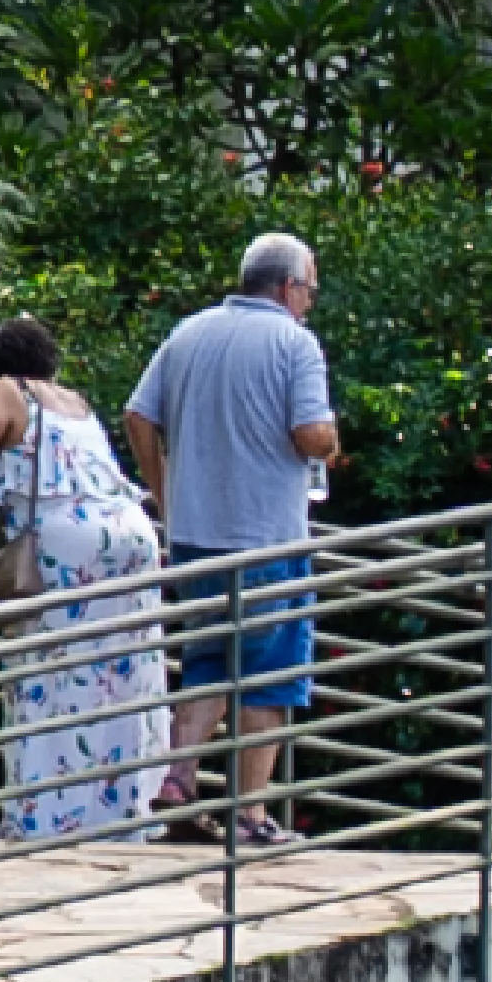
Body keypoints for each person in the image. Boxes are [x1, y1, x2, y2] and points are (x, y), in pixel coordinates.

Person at [122, 231, 343, 836]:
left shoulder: (189, 333)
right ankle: (249, 813)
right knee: (268, 673)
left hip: (196, 534)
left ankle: (178, 779)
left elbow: (138, 414)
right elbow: (309, 435)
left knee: (209, 659)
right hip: (267, 536)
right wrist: (331, 439)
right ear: (287, 287)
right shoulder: (295, 345)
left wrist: (165, 492)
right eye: (310, 291)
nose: (310, 303)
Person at [0, 318, 167, 850]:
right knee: (116, 677)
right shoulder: (75, 402)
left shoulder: (8, 393)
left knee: (50, 676)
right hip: (130, 534)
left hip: (70, 544)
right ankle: (117, 817)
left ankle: (48, 819)